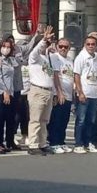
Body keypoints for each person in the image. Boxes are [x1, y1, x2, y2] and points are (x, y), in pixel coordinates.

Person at [26, 26, 58, 156]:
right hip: (37, 90)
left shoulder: (46, 59)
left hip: (48, 91)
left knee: (44, 120)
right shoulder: (34, 58)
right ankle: (33, 145)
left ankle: (42, 143)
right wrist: (43, 40)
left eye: (48, 44)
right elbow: (35, 51)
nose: (46, 46)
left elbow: (50, 76)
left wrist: (54, 93)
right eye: (45, 44)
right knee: (35, 119)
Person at [73, 35, 97, 154]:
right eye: (88, 44)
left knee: (91, 120)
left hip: (94, 93)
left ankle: (87, 142)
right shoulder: (81, 57)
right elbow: (76, 75)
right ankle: (78, 143)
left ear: (96, 45)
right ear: (85, 45)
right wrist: (80, 92)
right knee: (81, 120)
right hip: (84, 93)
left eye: (93, 44)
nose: (90, 46)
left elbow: (96, 75)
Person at [0, 39, 18, 154]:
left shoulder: (11, 60)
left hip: (10, 93)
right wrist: (5, 91)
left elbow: (22, 60)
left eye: (8, 47)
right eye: (4, 46)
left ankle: (0, 142)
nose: (6, 49)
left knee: (6, 119)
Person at [48, 38, 74, 154]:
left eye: (66, 47)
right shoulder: (55, 57)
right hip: (58, 94)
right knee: (56, 120)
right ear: (57, 46)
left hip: (68, 95)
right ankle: (54, 143)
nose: (63, 48)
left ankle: (61, 142)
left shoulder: (69, 60)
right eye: (61, 46)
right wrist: (59, 92)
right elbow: (55, 75)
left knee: (64, 120)